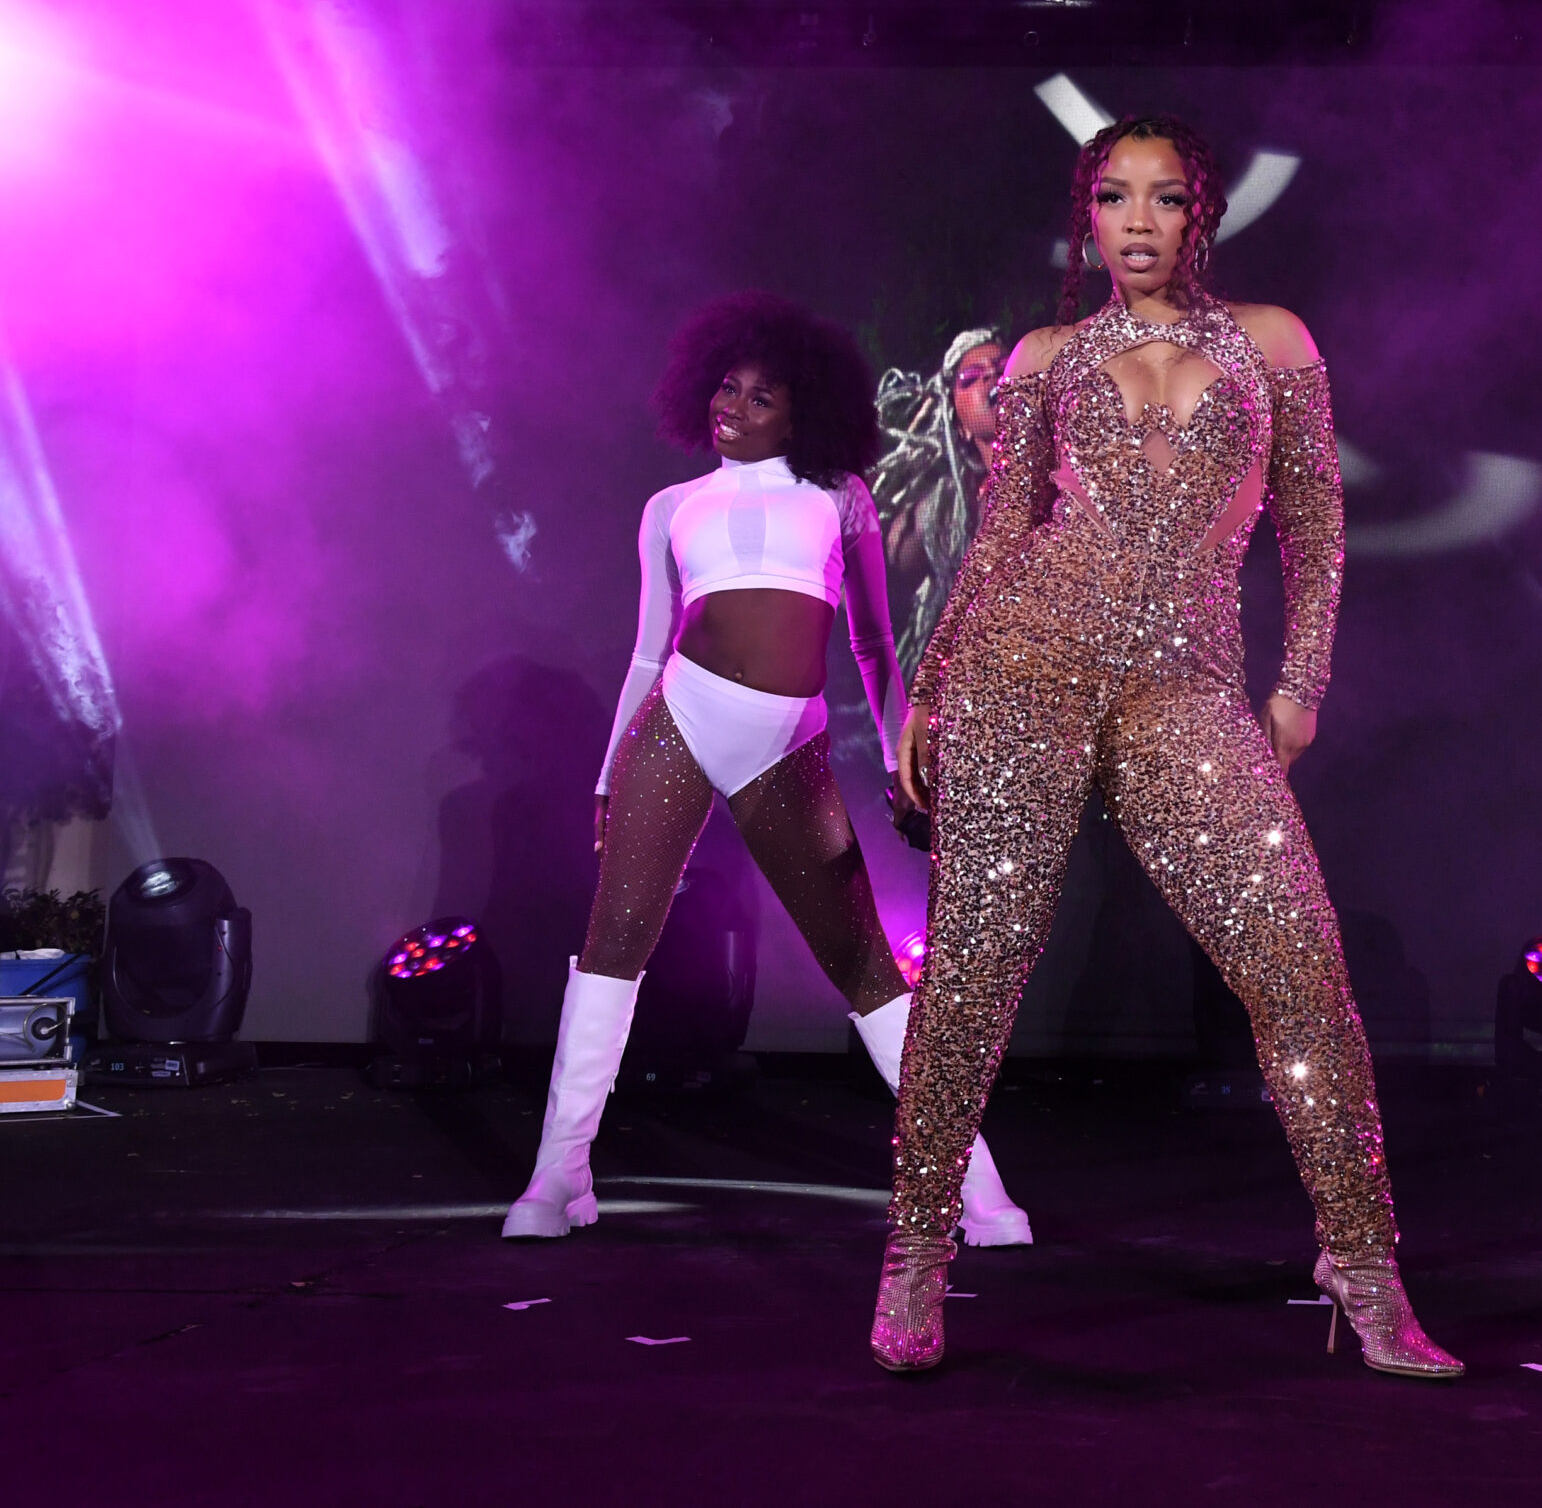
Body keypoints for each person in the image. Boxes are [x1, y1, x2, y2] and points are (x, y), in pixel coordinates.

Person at [870, 115, 1462, 1378]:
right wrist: (931, 685)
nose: (1140, 222)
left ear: (1203, 215)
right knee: (973, 977)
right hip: (1022, 671)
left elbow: (1314, 524)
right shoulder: (1041, 356)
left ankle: (1361, 1268)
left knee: (1299, 968)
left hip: (1183, 690)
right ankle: (916, 1257)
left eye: (1167, 199)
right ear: (1087, 214)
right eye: (1115, 198)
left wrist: (1297, 688)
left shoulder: (1272, 343)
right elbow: (1001, 534)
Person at [502, 292, 1031, 1248]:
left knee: (866, 962)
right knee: (614, 938)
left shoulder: (840, 496)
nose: (733, 406)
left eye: (760, 396)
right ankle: (559, 1174)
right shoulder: (671, 508)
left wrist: (906, 745)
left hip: (789, 740)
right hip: (682, 718)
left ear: (804, 408)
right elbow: (648, 652)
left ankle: (976, 1184)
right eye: (726, 389)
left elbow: (873, 639)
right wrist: (608, 769)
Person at [870, 327, 1008, 675]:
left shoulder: (1064, 480)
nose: (991, 377)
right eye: (971, 378)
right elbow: (887, 574)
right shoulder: (942, 506)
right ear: (957, 422)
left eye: (1002, 367)